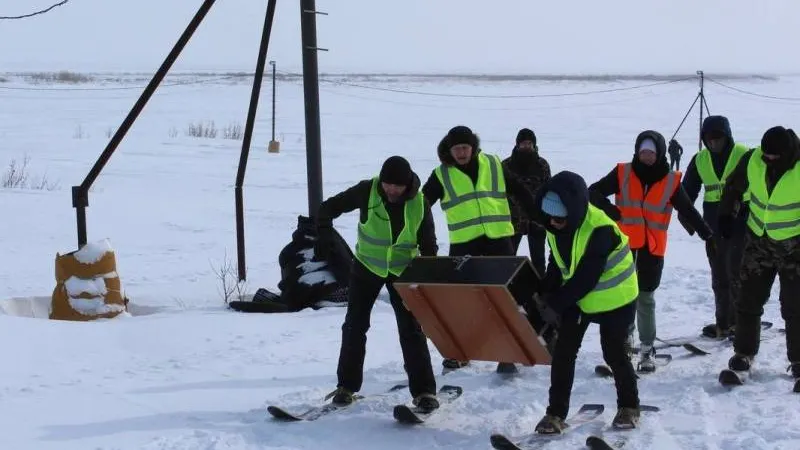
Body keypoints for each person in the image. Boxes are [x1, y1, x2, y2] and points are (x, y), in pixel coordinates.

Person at [314, 156, 439, 412]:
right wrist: (324, 233)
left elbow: (429, 245)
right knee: (354, 326)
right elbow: (328, 208)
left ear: (407, 185)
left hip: (403, 270)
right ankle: (346, 387)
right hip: (366, 268)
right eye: (386, 184)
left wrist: (426, 278)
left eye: (396, 186)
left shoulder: (419, 203)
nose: (390, 190)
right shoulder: (366, 190)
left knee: (411, 330)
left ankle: (424, 392)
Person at [422, 125, 545, 373]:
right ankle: (459, 352)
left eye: (465, 148)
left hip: (498, 239)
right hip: (464, 243)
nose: (461, 153)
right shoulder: (441, 174)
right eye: (456, 149)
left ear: (473, 147)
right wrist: (419, 236)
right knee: (460, 299)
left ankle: (508, 353)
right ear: (449, 150)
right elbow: (422, 205)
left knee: (508, 298)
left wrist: (538, 216)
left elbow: (519, 190)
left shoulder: (493, 164)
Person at [588, 130, 712, 371]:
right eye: (642, 152)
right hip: (623, 247)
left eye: (651, 153)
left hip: (652, 250)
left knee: (645, 298)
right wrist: (610, 211)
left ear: (660, 153)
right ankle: (624, 344)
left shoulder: (671, 180)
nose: (646, 157)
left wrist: (707, 234)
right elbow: (593, 192)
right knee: (623, 298)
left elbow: (687, 210)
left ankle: (646, 349)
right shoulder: (623, 172)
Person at [532, 171, 641, 433]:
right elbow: (559, 264)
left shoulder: (600, 229)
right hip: (581, 300)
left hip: (616, 298)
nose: (553, 222)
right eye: (549, 217)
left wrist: (555, 305)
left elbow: (585, 277)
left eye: (559, 217)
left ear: (575, 210)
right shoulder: (555, 226)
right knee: (563, 354)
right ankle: (555, 414)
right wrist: (544, 290)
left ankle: (629, 407)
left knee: (614, 353)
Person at [717, 126, 800, 381]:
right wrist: (725, 214)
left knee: (795, 306)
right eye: (766, 156)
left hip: (794, 247)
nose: (769, 160)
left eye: (775, 157)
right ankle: (744, 353)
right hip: (758, 241)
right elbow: (733, 187)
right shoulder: (753, 158)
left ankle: (798, 360)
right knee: (747, 299)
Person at [680, 115, 752, 338]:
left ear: (727, 137)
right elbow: (686, 193)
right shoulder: (700, 159)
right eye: (709, 139)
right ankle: (724, 322)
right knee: (719, 274)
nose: (713, 143)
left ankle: (743, 323)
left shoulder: (744, 154)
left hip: (742, 218)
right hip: (712, 223)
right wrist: (688, 219)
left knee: (737, 272)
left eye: (718, 138)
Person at [502, 127, 551, 277]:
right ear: (517, 145)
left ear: (534, 145)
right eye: (523, 144)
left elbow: (548, 189)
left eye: (529, 143)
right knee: (508, 260)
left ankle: (540, 290)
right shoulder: (506, 165)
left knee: (538, 261)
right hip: (513, 220)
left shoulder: (542, 164)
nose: (526, 146)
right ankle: (508, 288)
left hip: (537, 219)